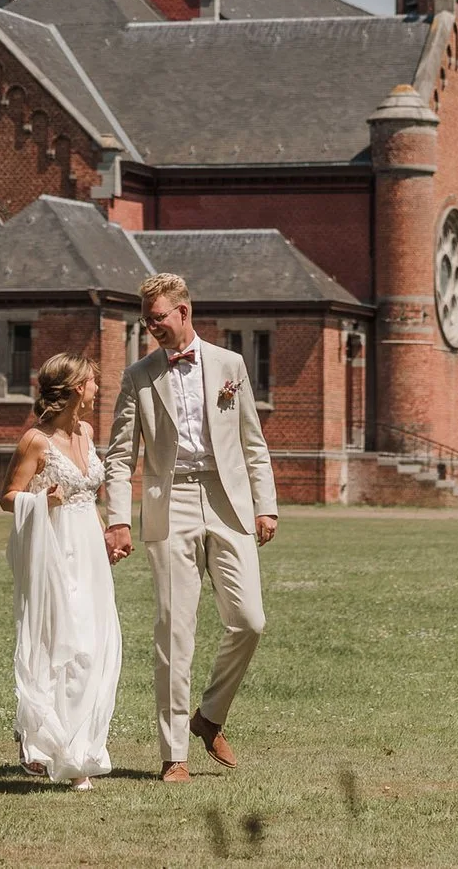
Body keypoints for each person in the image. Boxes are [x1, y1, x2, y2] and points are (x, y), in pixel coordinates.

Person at [101, 272, 276, 783]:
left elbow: (252, 441)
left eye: (158, 318)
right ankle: (173, 753)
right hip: (168, 499)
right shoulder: (138, 375)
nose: (151, 327)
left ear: (184, 312)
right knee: (175, 630)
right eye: (146, 320)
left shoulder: (230, 365)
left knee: (250, 620)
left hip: (229, 501)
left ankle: (210, 716)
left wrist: (266, 506)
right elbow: (118, 457)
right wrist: (116, 519)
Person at [0, 352, 121, 790]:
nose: (96, 389)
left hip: (88, 549)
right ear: (74, 389)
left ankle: (79, 749)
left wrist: (107, 534)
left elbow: (90, 495)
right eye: (91, 382)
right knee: (62, 645)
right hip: (54, 550)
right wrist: (41, 502)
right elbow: (9, 496)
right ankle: (48, 744)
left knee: (94, 645)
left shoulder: (88, 432)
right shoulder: (35, 441)